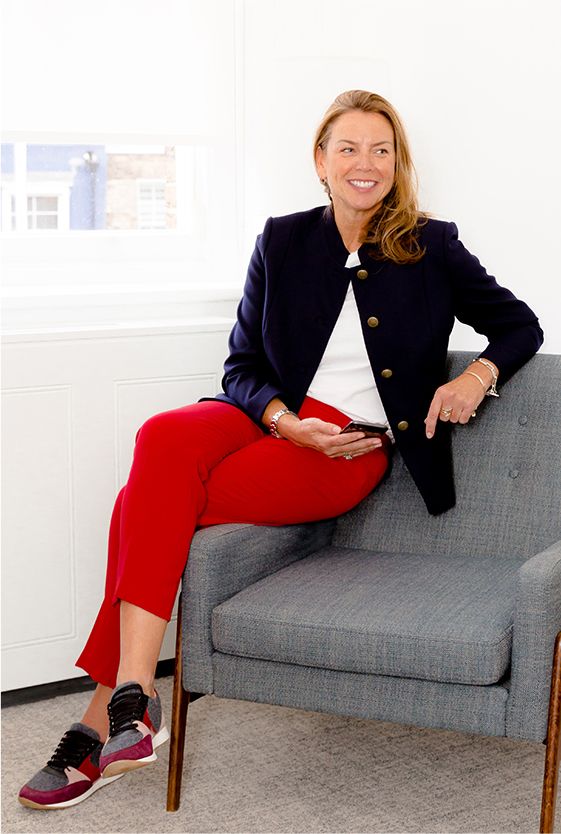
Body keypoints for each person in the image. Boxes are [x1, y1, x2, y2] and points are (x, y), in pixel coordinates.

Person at [19, 90, 543, 810]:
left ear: (398, 163)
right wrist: (277, 417)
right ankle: (134, 700)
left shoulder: (430, 246)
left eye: (381, 149)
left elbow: (518, 326)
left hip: (344, 447)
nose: (366, 163)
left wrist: (476, 376)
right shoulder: (282, 239)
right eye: (349, 148)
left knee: (141, 502)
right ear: (320, 161)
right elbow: (239, 364)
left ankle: (108, 708)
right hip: (270, 419)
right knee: (161, 436)